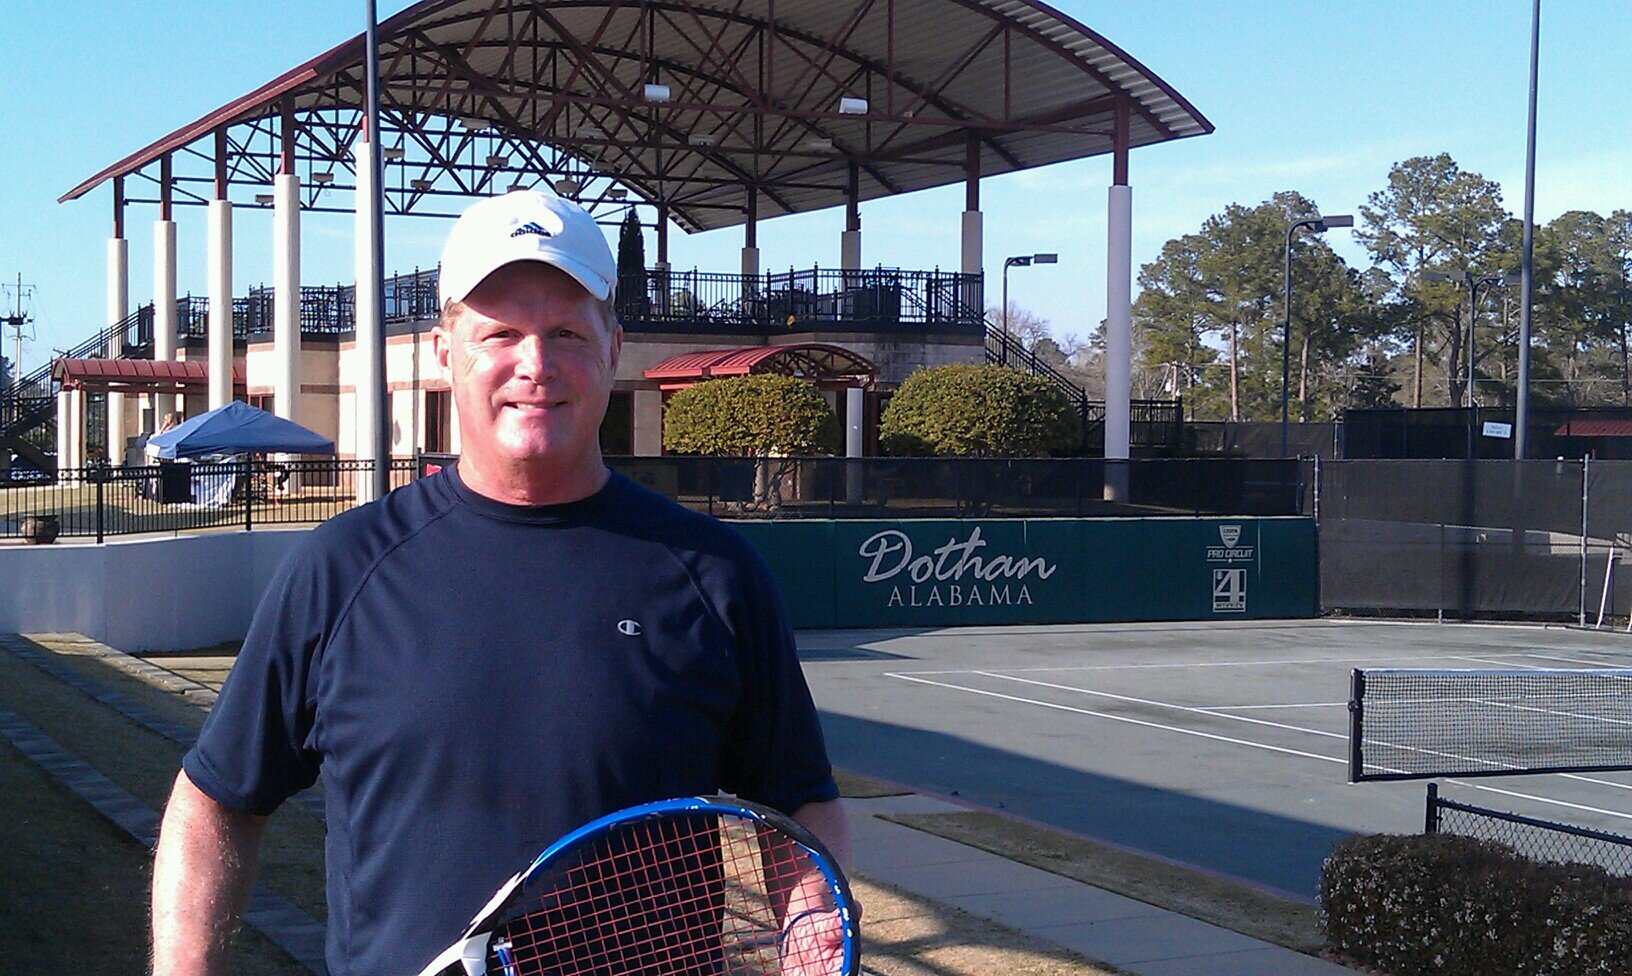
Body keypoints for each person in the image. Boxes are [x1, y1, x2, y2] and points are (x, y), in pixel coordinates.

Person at [150, 190, 850, 976]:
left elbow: (796, 804)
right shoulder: (339, 570)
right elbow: (216, 800)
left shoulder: (715, 573)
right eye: (500, 334)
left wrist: (812, 930)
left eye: (565, 333)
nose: (536, 365)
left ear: (613, 348)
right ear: (445, 350)